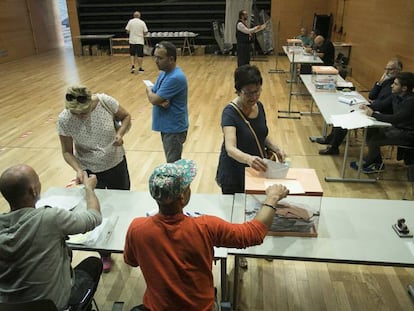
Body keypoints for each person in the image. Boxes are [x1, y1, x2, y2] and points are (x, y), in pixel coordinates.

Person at [124, 159, 289, 311]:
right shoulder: (205, 226)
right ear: (182, 197)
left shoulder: (137, 228)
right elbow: (253, 234)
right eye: (188, 186)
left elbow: (131, 261)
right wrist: (272, 198)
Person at [0, 164, 102, 310]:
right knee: (93, 263)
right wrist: (89, 189)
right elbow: (94, 217)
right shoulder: (49, 218)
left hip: (8, 307)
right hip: (52, 306)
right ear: (34, 191)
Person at [57, 84, 131, 272]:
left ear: (91, 102)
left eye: (84, 112)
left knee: (124, 205)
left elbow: (126, 116)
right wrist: (78, 169)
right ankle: (104, 253)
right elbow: (67, 152)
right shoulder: (65, 119)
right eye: (76, 114)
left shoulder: (105, 101)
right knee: (97, 210)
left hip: (116, 163)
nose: (81, 116)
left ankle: (128, 246)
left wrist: (120, 134)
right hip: (90, 170)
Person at [216, 64, 286, 195]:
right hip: (234, 172)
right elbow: (230, 148)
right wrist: (248, 159)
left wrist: (275, 148)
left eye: (257, 91)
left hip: (255, 169)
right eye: (248, 93)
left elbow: (260, 134)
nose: (253, 97)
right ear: (238, 91)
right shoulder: (229, 113)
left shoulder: (259, 106)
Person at [317, 58, 403, 155]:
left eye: (390, 69)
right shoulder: (387, 81)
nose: (387, 71)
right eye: (386, 68)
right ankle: (331, 139)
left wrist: (369, 107)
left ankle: (333, 147)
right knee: (344, 113)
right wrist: (380, 82)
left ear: (398, 70)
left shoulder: (398, 86)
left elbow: (385, 104)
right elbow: (372, 96)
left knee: (346, 119)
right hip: (374, 109)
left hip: (382, 114)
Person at [350, 72, 414, 173]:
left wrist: (373, 114)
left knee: (375, 140)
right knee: (370, 131)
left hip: (408, 134)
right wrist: (368, 106)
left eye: (396, 84)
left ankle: (367, 162)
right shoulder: (395, 95)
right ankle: (377, 163)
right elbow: (381, 105)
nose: (392, 86)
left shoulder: (411, 102)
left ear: (404, 88)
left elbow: (395, 119)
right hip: (397, 128)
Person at [145, 41, 188, 163]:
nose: (156, 61)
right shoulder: (164, 73)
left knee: (172, 166)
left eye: (160, 58)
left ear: (171, 59)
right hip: (168, 126)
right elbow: (157, 93)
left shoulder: (175, 77)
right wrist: (159, 98)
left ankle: (181, 183)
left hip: (173, 129)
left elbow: (153, 98)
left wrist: (149, 91)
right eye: (155, 57)